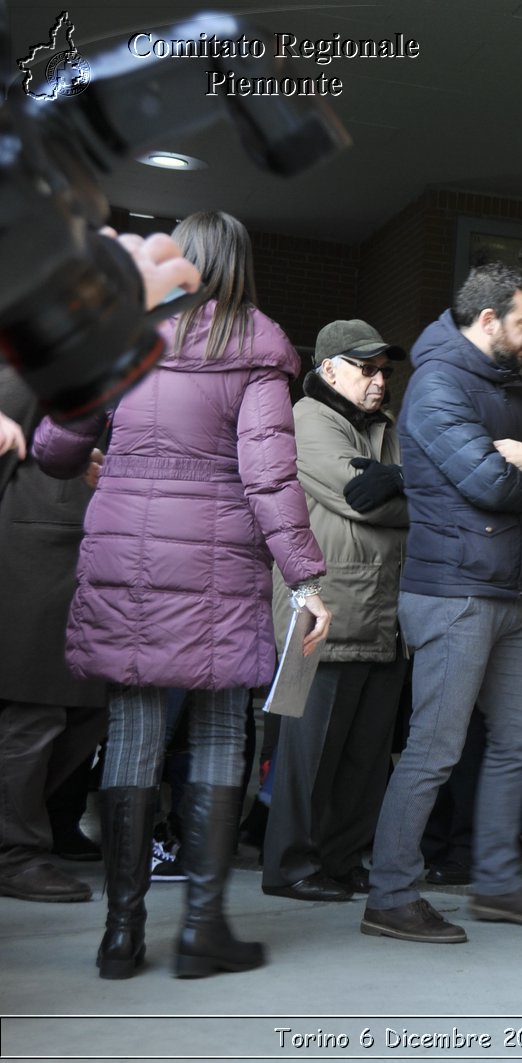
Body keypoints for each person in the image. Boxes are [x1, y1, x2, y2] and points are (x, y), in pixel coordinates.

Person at [31, 209, 332, 979]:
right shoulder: (256, 348)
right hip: (218, 566)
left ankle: (121, 935)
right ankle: (202, 930)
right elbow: (268, 476)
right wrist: (304, 574)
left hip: (125, 560)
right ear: (239, 267)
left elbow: (56, 448)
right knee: (219, 732)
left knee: (132, 729)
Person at [361, 262, 522, 944]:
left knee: (520, 739)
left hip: (506, 588)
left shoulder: (500, 382)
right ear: (488, 321)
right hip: (453, 591)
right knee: (434, 749)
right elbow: (487, 482)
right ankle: (390, 896)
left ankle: (497, 883)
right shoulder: (437, 385)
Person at [260, 320, 410, 903]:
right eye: (365, 368)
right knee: (304, 757)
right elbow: (363, 502)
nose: (379, 381)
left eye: (383, 370)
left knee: (366, 758)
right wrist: (403, 489)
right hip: (317, 616)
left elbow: (415, 496)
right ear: (327, 370)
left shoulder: (386, 428)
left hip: (383, 617)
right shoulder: (306, 420)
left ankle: (342, 861)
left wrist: (397, 483)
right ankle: (289, 866)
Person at [0, 364, 108, 904]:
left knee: (86, 713)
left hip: (76, 568)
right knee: (33, 718)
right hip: (32, 566)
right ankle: (14, 853)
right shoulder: (29, 375)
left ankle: (37, 830)